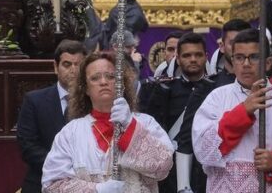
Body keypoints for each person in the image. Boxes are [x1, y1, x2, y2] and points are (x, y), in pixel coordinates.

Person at [192, 29, 272, 192]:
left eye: (254, 57)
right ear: (232, 62)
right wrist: (243, 113)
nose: (246, 64)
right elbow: (203, 150)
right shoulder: (216, 99)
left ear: (268, 63)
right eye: (239, 57)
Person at [42, 52, 174, 192]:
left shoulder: (146, 123)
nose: (103, 82)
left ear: (121, 84)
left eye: (111, 76)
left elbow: (163, 167)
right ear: (86, 88)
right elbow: (52, 185)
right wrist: (97, 189)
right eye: (95, 78)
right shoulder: (71, 132)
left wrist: (130, 126)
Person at [139, 32, 208, 193]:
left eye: (198, 55)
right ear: (178, 58)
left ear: (206, 56)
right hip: (170, 171)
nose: (192, 59)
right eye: (187, 55)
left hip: (204, 169)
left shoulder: (216, 90)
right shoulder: (162, 91)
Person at [17, 40, 87, 193]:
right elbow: (28, 147)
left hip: (86, 182)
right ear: (56, 67)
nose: (73, 70)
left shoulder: (94, 102)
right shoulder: (34, 101)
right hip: (41, 181)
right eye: (67, 64)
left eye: (79, 65)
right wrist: (63, 167)